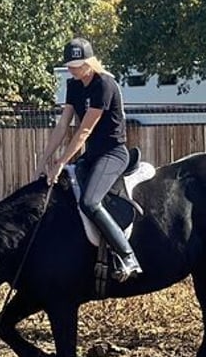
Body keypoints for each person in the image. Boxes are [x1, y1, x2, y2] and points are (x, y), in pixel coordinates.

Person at [36, 37, 143, 283]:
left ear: (90, 62)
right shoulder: (73, 85)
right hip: (91, 156)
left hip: (113, 154)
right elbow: (64, 124)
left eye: (78, 64)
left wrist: (61, 162)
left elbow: (84, 131)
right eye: (70, 65)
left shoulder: (104, 84)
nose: (73, 69)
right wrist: (44, 159)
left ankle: (128, 256)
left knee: (89, 202)